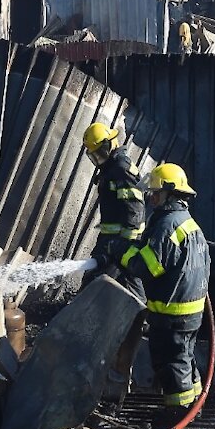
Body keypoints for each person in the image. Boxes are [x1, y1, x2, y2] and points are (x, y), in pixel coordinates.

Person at [101, 163, 211, 429]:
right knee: (184, 359)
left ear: (171, 193)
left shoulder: (166, 226)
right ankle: (193, 406)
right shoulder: (187, 223)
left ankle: (178, 414)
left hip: (171, 312)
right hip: (189, 311)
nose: (151, 197)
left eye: (156, 193)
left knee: (170, 364)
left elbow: (145, 268)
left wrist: (119, 250)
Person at [81, 123, 147, 301]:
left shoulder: (121, 168)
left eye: (100, 153)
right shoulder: (111, 167)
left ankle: (141, 321)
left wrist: (123, 243)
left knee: (125, 278)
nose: (98, 158)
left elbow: (134, 207)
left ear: (111, 144)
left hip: (123, 239)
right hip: (110, 238)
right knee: (105, 278)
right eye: (94, 156)